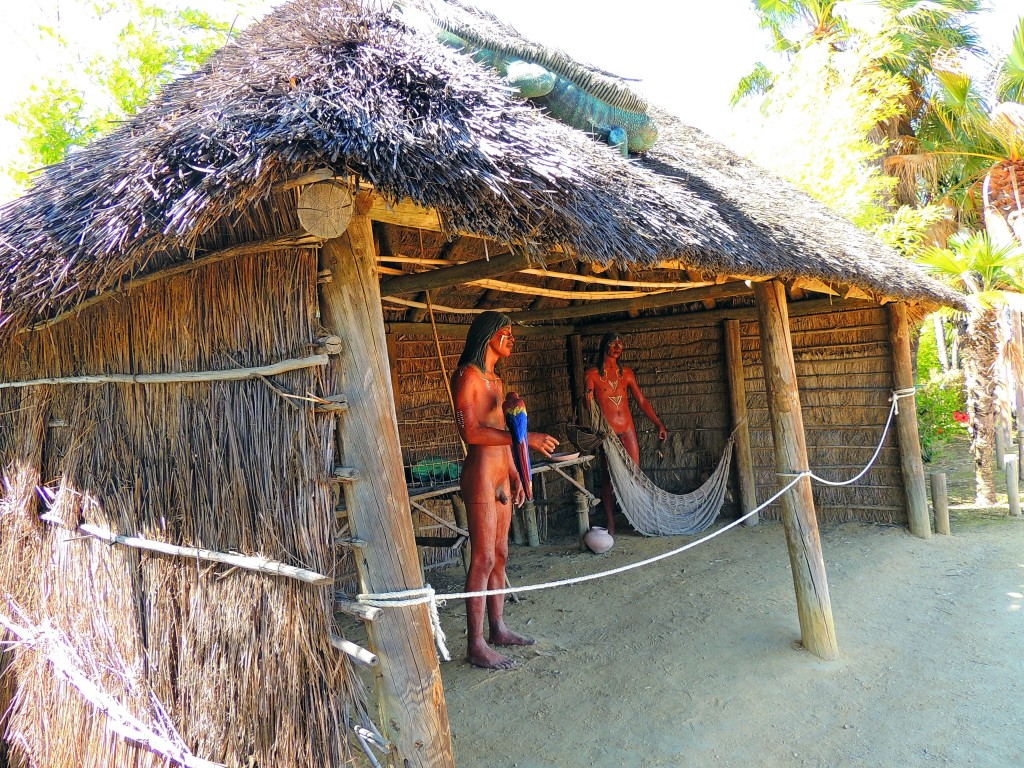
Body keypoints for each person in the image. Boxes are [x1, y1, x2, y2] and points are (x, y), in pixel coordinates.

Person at [451, 311, 558, 669]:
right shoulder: (467, 376)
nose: (511, 339)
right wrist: (526, 438)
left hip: (500, 474)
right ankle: (476, 644)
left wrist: (515, 473)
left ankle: (497, 628)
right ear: (489, 336)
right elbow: (473, 434)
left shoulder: (495, 380)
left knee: (500, 556)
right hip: (480, 476)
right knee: (481, 559)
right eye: (506, 333)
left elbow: (501, 436)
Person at [585, 332, 667, 535]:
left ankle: (638, 519)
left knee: (635, 475)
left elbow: (641, 400)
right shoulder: (592, 375)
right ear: (604, 346)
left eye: (620, 344)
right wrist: (595, 428)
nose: (617, 347)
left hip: (628, 430)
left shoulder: (627, 374)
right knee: (608, 477)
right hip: (608, 434)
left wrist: (658, 424)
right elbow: (587, 405)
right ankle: (610, 522)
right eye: (613, 343)